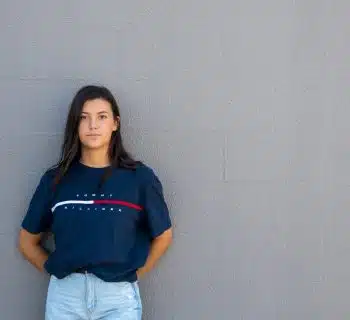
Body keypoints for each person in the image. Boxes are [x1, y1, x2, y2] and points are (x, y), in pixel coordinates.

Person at [18, 85, 173, 320]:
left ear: (115, 123)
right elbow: (27, 241)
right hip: (65, 299)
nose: (93, 125)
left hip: (118, 299)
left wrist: (131, 275)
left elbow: (163, 236)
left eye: (102, 117)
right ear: (75, 124)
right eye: (84, 117)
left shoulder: (140, 179)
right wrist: (60, 274)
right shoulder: (55, 180)